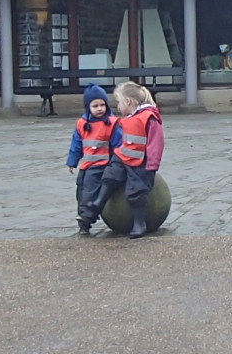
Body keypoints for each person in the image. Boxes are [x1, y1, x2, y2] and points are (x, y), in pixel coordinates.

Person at [101, 81, 164, 239]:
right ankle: (99, 201)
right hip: (124, 157)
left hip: (141, 162)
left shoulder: (149, 118)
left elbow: (156, 143)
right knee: (111, 173)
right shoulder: (129, 118)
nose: (118, 107)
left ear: (128, 102)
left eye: (118, 102)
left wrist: (152, 165)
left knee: (136, 190)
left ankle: (139, 222)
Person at [65, 83, 118, 235]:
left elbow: (118, 144)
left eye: (102, 105)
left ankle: (86, 219)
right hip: (87, 165)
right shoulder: (82, 124)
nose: (100, 108)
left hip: (102, 165)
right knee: (81, 191)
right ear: (88, 107)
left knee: (90, 191)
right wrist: (72, 161)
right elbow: (76, 144)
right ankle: (82, 217)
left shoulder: (112, 123)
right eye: (95, 106)